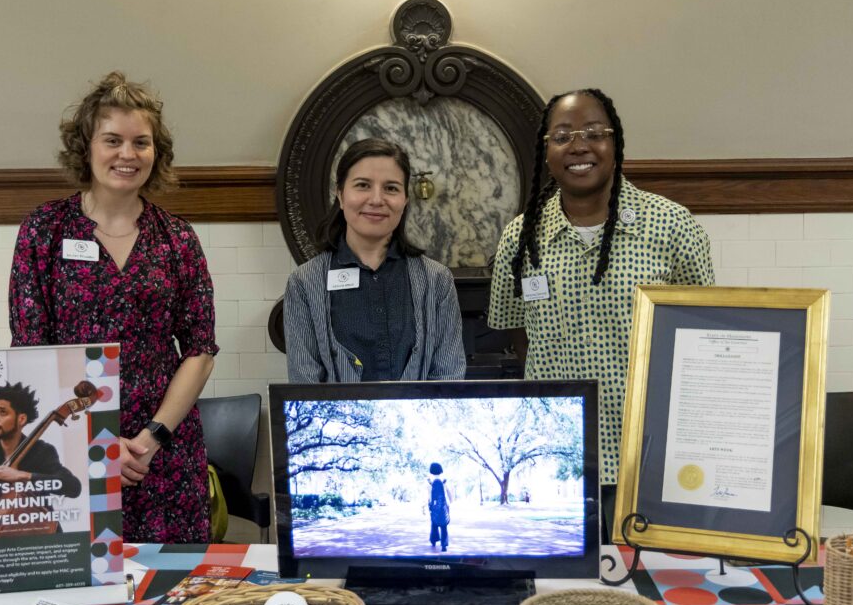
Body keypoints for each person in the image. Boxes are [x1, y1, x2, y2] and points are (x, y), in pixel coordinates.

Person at [487, 89, 714, 541]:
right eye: (563, 135)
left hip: (651, 455)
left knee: (651, 590)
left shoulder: (673, 226)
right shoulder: (520, 238)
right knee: (566, 594)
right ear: (545, 151)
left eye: (595, 133)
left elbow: (705, 337)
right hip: (560, 459)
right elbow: (517, 333)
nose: (579, 145)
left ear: (617, 144)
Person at [9, 71, 218, 543]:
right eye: (113, 140)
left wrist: (149, 439)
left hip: (161, 453)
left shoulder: (178, 238)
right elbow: (29, 349)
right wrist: (94, 443)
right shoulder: (44, 230)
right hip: (69, 450)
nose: (127, 154)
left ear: (156, 153)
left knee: (170, 593)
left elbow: (200, 350)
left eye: (141, 142)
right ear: (86, 147)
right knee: (77, 599)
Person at [283, 138, 466, 382]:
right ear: (340, 194)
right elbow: (304, 386)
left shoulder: (437, 280)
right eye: (363, 185)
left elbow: (449, 378)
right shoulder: (304, 283)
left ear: (405, 200)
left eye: (391, 188)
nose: (377, 199)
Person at [0, 382, 81, 496]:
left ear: (21, 419)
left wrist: (22, 476)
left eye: (2, 413)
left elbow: (73, 487)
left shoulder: (41, 451)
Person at [427, 462, 451, 552]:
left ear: (431, 470)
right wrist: (450, 503)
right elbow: (449, 492)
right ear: (440, 470)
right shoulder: (444, 480)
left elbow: (427, 494)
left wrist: (424, 506)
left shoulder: (429, 481)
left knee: (434, 523)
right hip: (444, 505)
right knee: (444, 524)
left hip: (433, 505)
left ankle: (433, 540)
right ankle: (444, 545)